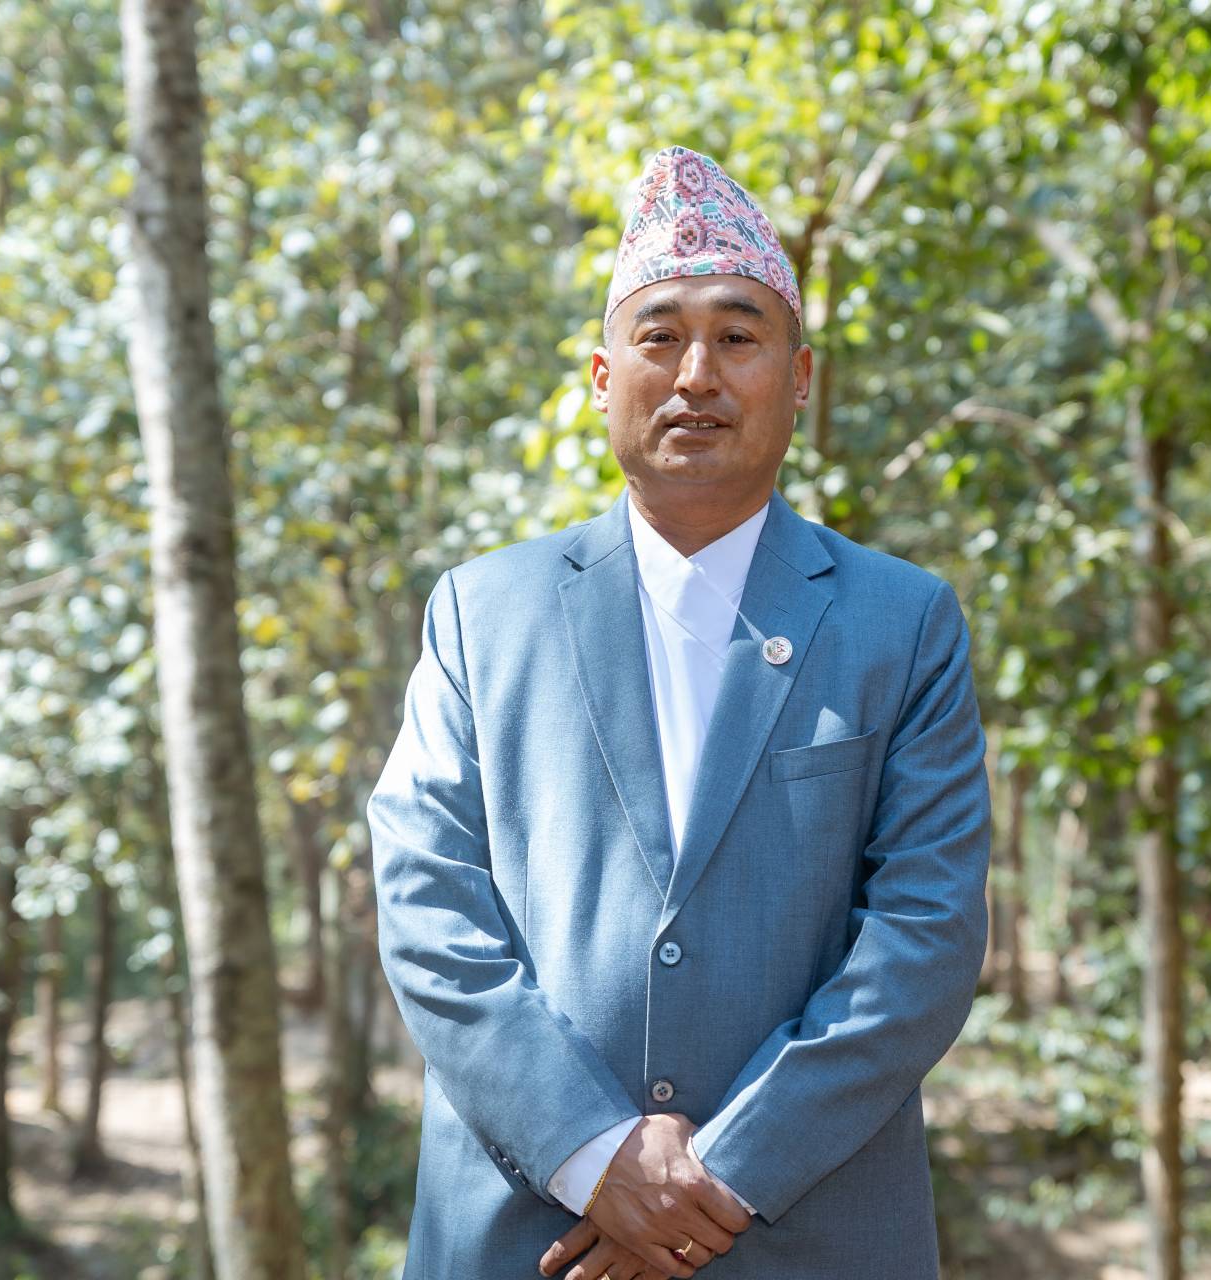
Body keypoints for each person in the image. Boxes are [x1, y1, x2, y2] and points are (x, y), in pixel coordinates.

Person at [369, 145, 991, 1279]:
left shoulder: (901, 623)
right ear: (604, 376)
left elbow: (926, 935)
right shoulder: (483, 612)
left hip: (810, 1234)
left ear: (799, 378)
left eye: (738, 337)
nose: (697, 374)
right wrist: (593, 1153)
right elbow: (428, 908)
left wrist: (718, 1177)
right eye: (660, 336)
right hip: (527, 1230)